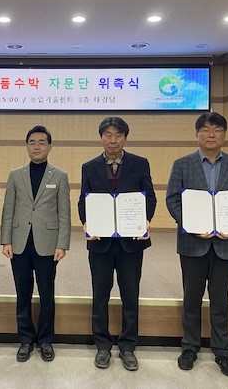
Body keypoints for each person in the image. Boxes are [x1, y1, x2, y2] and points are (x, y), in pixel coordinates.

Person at [166, 112, 228, 378]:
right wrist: (191, 224)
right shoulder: (182, 164)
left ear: (224, 135)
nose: (211, 134)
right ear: (197, 135)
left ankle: (222, 352)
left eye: (216, 129)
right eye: (205, 129)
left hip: (225, 245)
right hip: (193, 243)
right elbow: (172, 199)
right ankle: (189, 347)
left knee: (220, 300)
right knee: (191, 298)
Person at [77, 116, 156, 371]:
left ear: (125, 138)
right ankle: (102, 346)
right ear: (101, 138)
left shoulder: (140, 163)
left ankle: (128, 346)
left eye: (118, 135)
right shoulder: (89, 167)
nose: (113, 140)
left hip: (130, 242)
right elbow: (84, 201)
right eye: (108, 135)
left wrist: (145, 221)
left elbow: (149, 197)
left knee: (130, 295)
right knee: (100, 295)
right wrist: (86, 223)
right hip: (100, 243)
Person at [1, 126, 71, 362]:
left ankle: (46, 340)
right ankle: (25, 339)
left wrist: (62, 244)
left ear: (50, 146)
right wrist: (6, 240)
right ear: (27, 146)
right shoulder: (15, 175)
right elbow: (8, 209)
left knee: (46, 293)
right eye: (32, 142)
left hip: (48, 244)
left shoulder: (59, 176)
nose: (37, 146)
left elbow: (64, 213)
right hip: (19, 243)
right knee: (23, 293)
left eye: (42, 142)